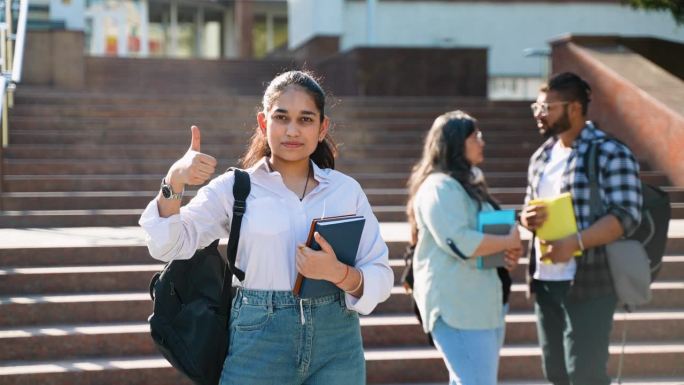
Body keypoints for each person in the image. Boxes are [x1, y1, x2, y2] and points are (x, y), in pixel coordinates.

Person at [139, 70, 394, 385]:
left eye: (305, 119)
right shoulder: (236, 188)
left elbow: (381, 274)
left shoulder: (345, 190)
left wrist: (338, 273)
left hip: (336, 341)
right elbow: (167, 244)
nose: (292, 130)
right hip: (259, 337)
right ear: (263, 122)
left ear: (322, 127)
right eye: (282, 117)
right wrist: (174, 180)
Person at [520, 72, 643, 385]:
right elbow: (529, 208)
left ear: (574, 108)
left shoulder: (609, 151)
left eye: (546, 107)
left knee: (585, 375)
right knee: (556, 374)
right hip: (546, 281)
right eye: (537, 107)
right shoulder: (541, 157)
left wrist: (574, 242)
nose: (539, 114)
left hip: (590, 279)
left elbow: (626, 215)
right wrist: (526, 218)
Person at [406, 110, 523, 385]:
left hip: (482, 303)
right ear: (456, 143)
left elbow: (483, 235)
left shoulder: (468, 184)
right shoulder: (439, 187)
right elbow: (460, 241)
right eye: (474, 136)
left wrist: (506, 253)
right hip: (456, 307)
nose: (482, 141)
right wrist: (509, 240)